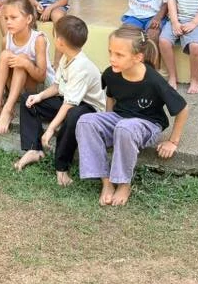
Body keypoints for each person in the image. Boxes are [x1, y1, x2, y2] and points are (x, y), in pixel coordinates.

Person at [76, 28, 188, 206]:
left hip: (147, 124)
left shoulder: (154, 80)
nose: (112, 58)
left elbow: (182, 109)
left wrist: (172, 142)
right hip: (120, 119)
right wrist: (106, 124)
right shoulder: (111, 73)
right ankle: (106, 182)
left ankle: (123, 183)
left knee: (125, 127)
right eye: (110, 52)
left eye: (119, 54)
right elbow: (110, 95)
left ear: (138, 57)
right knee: (86, 121)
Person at [16, 15, 106, 186]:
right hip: (69, 101)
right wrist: (39, 97)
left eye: (55, 35)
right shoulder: (66, 58)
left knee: (73, 115)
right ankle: (34, 149)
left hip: (89, 109)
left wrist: (50, 129)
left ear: (61, 41)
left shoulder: (82, 66)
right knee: (28, 99)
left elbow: (69, 104)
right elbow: (57, 87)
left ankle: (62, 166)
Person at [0, 0, 55, 134]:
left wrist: (26, 63)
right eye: (6, 18)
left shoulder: (38, 40)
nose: (8, 22)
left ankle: (8, 110)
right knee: (4, 55)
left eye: (13, 18)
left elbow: (41, 76)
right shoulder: (7, 39)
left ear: (28, 19)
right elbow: (3, 71)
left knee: (22, 59)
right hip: (14, 88)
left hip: (36, 90)